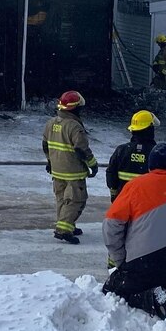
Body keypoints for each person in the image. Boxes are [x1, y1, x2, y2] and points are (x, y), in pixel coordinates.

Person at [103, 143, 166, 319]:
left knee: (113, 287)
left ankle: (151, 298)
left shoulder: (135, 186)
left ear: (150, 164)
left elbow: (111, 226)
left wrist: (121, 260)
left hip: (142, 267)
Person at [43, 90, 99, 244]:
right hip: (73, 171)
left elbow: (45, 145)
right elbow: (82, 149)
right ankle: (63, 230)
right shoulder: (74, 126)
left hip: (57, 170)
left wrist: (50, 161)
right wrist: (93, 165)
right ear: (75, 108)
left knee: (61, 199)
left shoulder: (50, 123)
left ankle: (69, 224)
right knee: (76, 200)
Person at [106, 110, 159, 200]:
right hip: (147, 202)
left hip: (123, 200)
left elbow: (111, 173)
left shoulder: (122, 150)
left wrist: (114, 194)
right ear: (150, 129)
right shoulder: (157, 152)